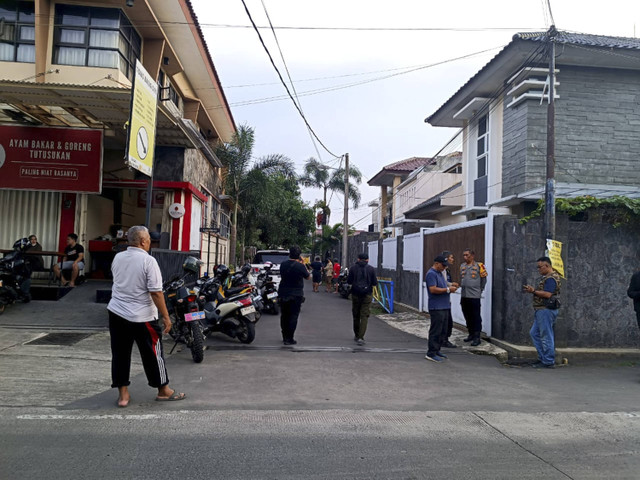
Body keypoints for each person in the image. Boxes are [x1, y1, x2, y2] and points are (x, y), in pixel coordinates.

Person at [107, 225, 185, 407]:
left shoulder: (118, 257)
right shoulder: (148, 261)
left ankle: (123, 395)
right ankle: (163, 390)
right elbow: (156, 293)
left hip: (117, 313)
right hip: (142, 316)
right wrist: (166, 317)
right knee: (153, 353)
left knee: (120, 353)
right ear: (143, 241)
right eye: (148, 238)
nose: (150, 241)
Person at [522, 256, 561, 369]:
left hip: (546, 310)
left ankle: (548, 360)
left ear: (547, 266)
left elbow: (548, 294)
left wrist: (533, 291)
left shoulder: (551, 278)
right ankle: (543, 357)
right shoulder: (548, 277)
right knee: (534, 333)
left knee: (545, 335)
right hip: (541, 310)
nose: (538, 269)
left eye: (540, 267)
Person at [425, 255, 457, 362]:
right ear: (436, 263)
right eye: (443, 265)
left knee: (443, 330)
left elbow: (443, 284)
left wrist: (450, 286)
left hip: (444, 306)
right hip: (436, 306)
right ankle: (431, 352)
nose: (444, 267)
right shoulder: (431, 274)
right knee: (436, 330)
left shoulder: (440, 273)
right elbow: (433, 289)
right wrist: (448, 290)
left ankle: (437, 349)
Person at [278, 245, 310, 345]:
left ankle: (284, 336)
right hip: (296, 294)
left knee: (284, 315)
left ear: (289, 254)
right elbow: (308, 277)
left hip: (283, 292)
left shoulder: (283, 264)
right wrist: (303, 264)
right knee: (293, 316)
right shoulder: (300, 266)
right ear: (299, 255)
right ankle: (289, 338)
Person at [347, 252, 378, 345]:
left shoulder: (353, 268)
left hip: (355, 294)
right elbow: (374, 283)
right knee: (364, 315)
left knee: (356, 315)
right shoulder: (371, 269)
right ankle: (361, 337)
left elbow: (349, 281)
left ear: (358, 259)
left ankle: (356, 334)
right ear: (368, 260)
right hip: (367, 294)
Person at [460, 248, 488, 347]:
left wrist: (480, 290)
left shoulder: (479, 266)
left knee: (475, 316)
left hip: (474, 295)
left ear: (472, 256)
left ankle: (477, 337)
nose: (465, 257)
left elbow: (484, 280)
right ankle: (471, 334)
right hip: (464, 295)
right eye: (464, 255)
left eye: (467, 255)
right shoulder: (462, 266)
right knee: (467, 315)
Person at [440, 251, 459, 348]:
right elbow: (441, 284)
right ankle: (443, 340)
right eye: (451, 257)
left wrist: (452, 284)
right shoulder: (441, 271)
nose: (453, 259)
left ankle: (444, 339)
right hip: (442, 300)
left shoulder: (446, 270)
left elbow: (446, 282)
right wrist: (449, 288)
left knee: (448, 321)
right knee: (445, 321)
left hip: (446, 299)